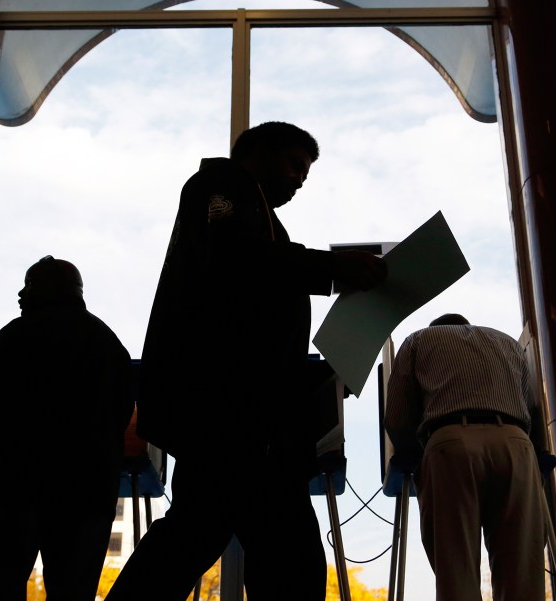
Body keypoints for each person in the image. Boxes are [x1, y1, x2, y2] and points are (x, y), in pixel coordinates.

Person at [106, 121, 388, 601]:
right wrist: (333, 268)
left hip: (235, 415)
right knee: (282, 551)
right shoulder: (221, 186)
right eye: (296, 165)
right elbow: (240, 260)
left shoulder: (254, 214)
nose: (301, 180)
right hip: (235, 413)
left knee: (201, 533)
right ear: (258, 153)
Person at [0, 256, 134, 600]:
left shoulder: (19, 333)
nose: (20, 294)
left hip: (18, 483)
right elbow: (122, 414)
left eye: (29, 284)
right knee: (73, 590)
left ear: (48, 288)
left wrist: (10, 437)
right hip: (89, 491)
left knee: (0, 585)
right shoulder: (110, 344)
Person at [384, 313, 548, 601]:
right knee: (522, 574)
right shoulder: (509, 344)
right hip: (515, 442)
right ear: (467, 326)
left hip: (450, 443)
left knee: (456, 573)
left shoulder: (417, 340)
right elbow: (533, 411)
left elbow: (397, 419)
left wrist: (421, 461)